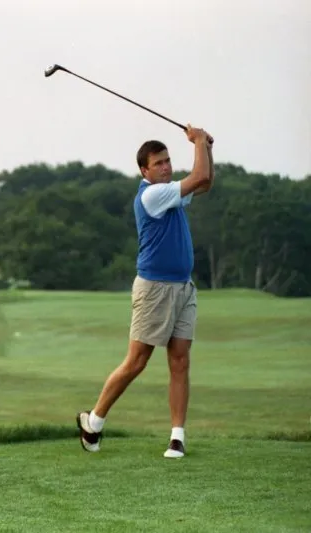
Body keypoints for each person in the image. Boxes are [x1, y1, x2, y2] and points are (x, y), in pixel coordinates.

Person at [77, 125, 215, 459]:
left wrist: (207, 148)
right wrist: (198, 141)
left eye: (168, 161)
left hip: (183, 287)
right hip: (154, 289)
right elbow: (197, 178)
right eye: (159, 164)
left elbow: (205, 181)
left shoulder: (170, 189)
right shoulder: (152, 195)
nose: (166, 167)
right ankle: (93, 422)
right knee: (137, 361)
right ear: (144, 171)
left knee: (180, 361)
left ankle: (177, 439)